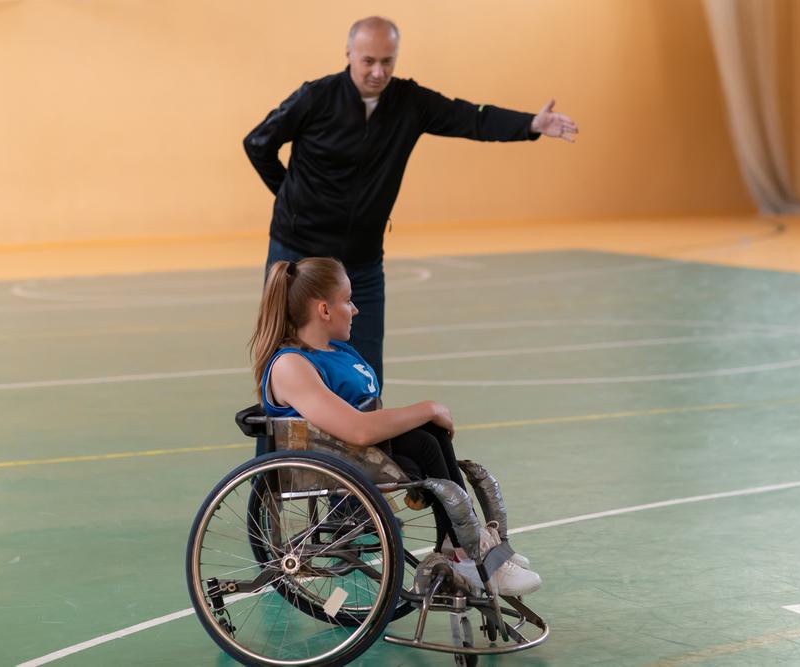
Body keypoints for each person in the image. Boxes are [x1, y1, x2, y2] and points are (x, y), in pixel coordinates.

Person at [244, 16, 579, 382]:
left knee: (364, 372)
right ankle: (276, 443)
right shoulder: (315, 97)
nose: (377, 71)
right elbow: (258, 142)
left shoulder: (409, 102)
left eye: (387, 61)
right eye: (368, 60)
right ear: (349, 54)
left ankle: (363, 439)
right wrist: (293, 198)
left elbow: (469, 118)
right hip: (299, 252)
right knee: (283, 364)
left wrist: (531, 124)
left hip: (361, 262)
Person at [249, 256, 541, 596]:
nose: (355, 309)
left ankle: (466, 546)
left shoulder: (337, 352)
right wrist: (428, 407)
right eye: (347, 300)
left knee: (429, 435)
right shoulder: (290, 366)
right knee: (426, 438)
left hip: (360, 455)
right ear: (324, 310)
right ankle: (468, 553)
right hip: (334, 463)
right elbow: (358, 430)